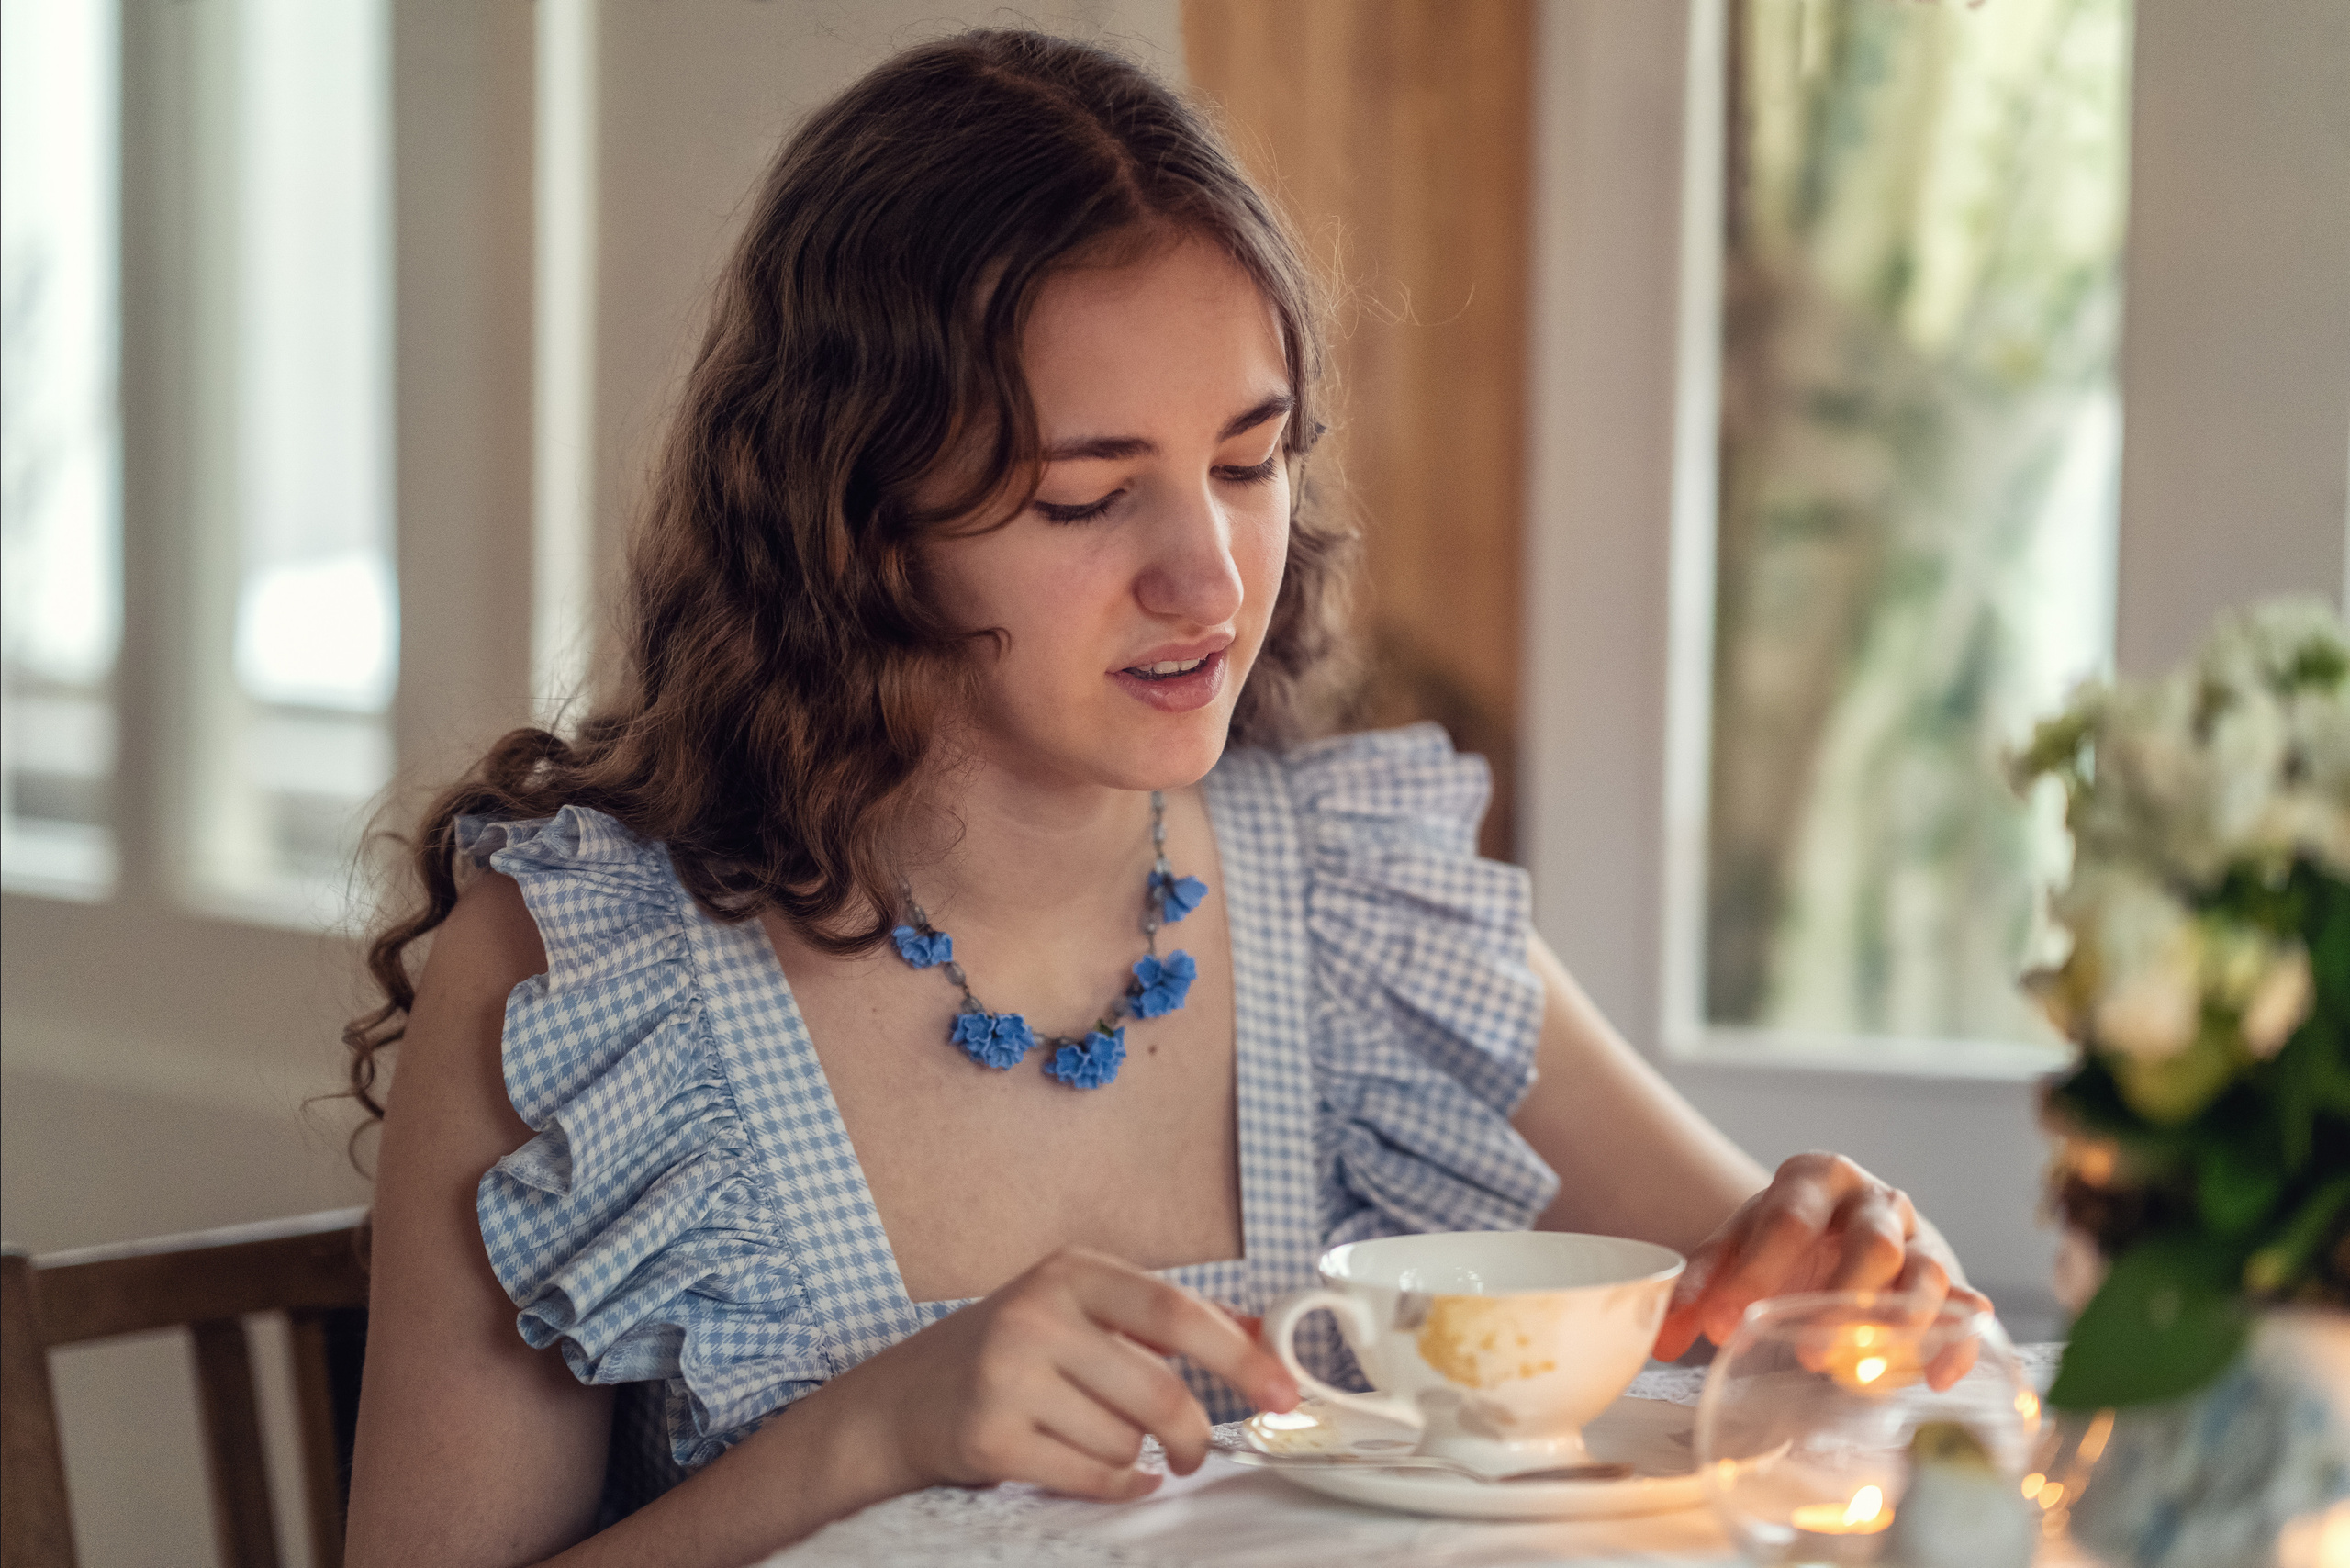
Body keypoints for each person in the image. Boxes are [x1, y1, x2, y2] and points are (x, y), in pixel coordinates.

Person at [341, 28, 1987, 1567]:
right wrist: (869, 1434)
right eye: (1086, 497)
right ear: (853, 520)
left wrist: (1843, 1264)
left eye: (1248, 462)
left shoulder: (1354, 894)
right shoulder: (589, 979)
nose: (1207, 576)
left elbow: (1778, 1323)